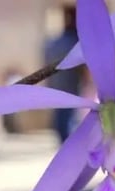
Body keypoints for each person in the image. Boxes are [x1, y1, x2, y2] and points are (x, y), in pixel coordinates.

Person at [44, 5, 81, 143]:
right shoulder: (75, 42)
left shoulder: (54, 43)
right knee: (67, 117)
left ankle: (65, 143)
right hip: (70, 86)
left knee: (62, 117)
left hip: (58, 85)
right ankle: (67, 143)